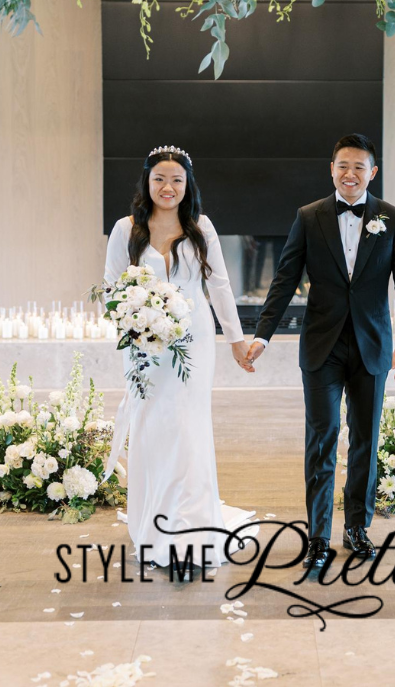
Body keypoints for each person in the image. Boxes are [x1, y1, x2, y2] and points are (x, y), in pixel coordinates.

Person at [245, 134, 395, 567]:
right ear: (331, 169)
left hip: (374, 346)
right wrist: (262, 334)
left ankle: (357, 528)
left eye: (359, 167)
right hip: (322, 346)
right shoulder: (309, 217)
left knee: (365, 440)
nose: (350, 174)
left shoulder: (392, 219)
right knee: (321, 441)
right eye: (343, 165)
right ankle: (318, 537)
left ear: (372, 172)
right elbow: (285, 279)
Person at [103, 145, 254, 568]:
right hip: (143, 345)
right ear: (146, 183)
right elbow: (111, 289)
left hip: (194, 341)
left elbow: (220, 287)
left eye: (177, 181)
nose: (167, 187)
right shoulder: (125, 229)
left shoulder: (200, 226)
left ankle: (190, 524)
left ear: (187, 186)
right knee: (151, 425)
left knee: (188, 426)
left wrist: (236, 340)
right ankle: (152, 524)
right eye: (159, 179)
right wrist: (135, 321)